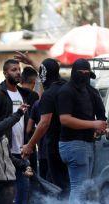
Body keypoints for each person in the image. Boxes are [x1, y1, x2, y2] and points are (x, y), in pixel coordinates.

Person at [57, 59, 107, 204]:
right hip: (72, 144)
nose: (85, 78)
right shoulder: (66, 91)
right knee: (78, 188)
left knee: (84, 188)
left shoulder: (91, 91)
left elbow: (102, 116)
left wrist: (101, 127)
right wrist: (93, 125)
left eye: (87, 74)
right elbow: (65, 119)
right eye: (82, 74)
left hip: (87, 144)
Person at [0, 59, 39, 204]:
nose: (17, 72)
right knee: (4, 191)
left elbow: (43, 85)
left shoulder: (25, 94)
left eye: (19, 69)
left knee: (24, 189)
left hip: (22, 151)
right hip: (4, 152)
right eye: (13, 70)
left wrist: (31, 62)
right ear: (5, 73)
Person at [21, 58, 70, 193]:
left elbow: (44, 123)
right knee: (71, 185)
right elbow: (47, 71)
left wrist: (30, 145)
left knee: (58, 186)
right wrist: (31, 61)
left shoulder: (48, 94)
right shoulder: (67, 87)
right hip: (70, 144)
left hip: (54, 146)